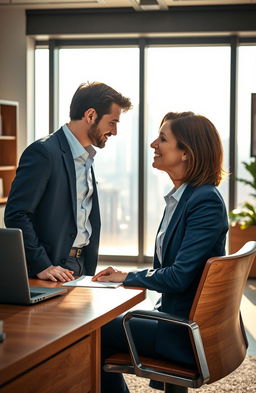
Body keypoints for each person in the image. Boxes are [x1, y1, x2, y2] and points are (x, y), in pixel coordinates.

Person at [92, 111, 229, 393]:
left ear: (186, 154)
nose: (153, 144)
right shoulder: (186, 196)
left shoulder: (204, 202)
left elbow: (179, 277)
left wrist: (126, 276)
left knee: (94, 333)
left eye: (163, 139)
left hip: (183, 332)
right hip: (178, 319)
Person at [4, 82, 132, 282]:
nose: (114, 131)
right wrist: (42, 265)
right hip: (51, 268)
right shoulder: (44, 152)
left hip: (80, 266)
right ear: (90, 115)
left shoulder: (86, 157)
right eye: (112, 122)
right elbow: (16, 214)